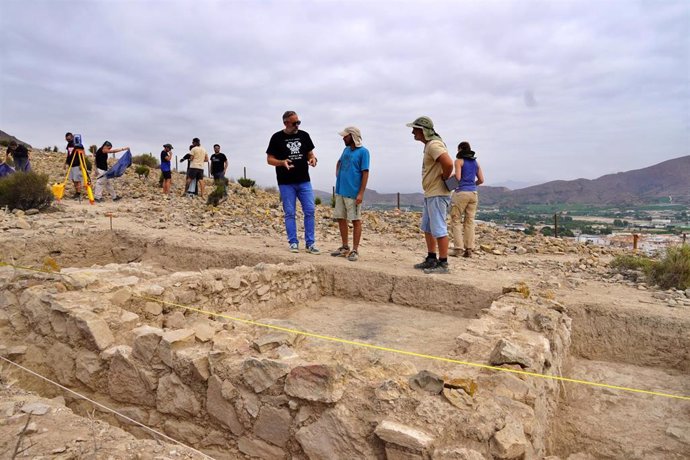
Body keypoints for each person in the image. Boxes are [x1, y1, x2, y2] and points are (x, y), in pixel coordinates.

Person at [266, 110, 320, 254]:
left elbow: (310, 153)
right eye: (294, 123)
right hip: (286, 183)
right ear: (286, 123)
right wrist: (281, 162)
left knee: (310, 211)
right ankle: (293, 243)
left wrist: (312, 159)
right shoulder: (276, 138)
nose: (297, 125)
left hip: (304, 181)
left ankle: (310, 243)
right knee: (290, 213)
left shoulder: (304, 135)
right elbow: (269, 159)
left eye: (298, 122)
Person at [406, 116, 454, 274]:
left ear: (423, 131)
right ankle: (432, 258)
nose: (413, 131)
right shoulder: (430, 145)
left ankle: (443, 263)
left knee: (439, 228)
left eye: (415, 129)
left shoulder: (434, 145)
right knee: (428, 227)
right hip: (431, 192)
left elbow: (448, 163)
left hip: (437, 193)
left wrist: (445, 177)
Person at [330, 126, 370, 262]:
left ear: (352, 136)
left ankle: (355, 249)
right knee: (341, 218)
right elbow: (339, 162)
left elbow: (365, 172)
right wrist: (338, 173)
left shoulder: (364, 152)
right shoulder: (346, 150)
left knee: (355, 220)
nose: (343, 138)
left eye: (345, 136)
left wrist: (361, 193)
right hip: (341, 191)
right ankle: (345, 246)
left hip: (353, 193)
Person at [449, 141, 484, 258]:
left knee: (456, 220)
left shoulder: (459, 161)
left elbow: (458, 177)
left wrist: (450, 177)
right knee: (469, 221)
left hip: (461, 193)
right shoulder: (475, 162)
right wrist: (472, 184)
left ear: (459, 150)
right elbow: (481, 180)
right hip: (473, 193)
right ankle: (469, 248)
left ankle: (458, 249)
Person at [65, 132, 83, 197]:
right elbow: (69, 154)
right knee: (73, 179)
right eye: (67, 139)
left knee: (77, 179)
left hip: (76, 164)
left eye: (69, 139)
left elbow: (82, 153)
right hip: (71, 164)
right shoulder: (69, 144)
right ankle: (76, 192)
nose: (68, 140)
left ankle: (79, 193)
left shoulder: (77, 144)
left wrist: (82, 164)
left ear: (72, 137)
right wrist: (66, 163)